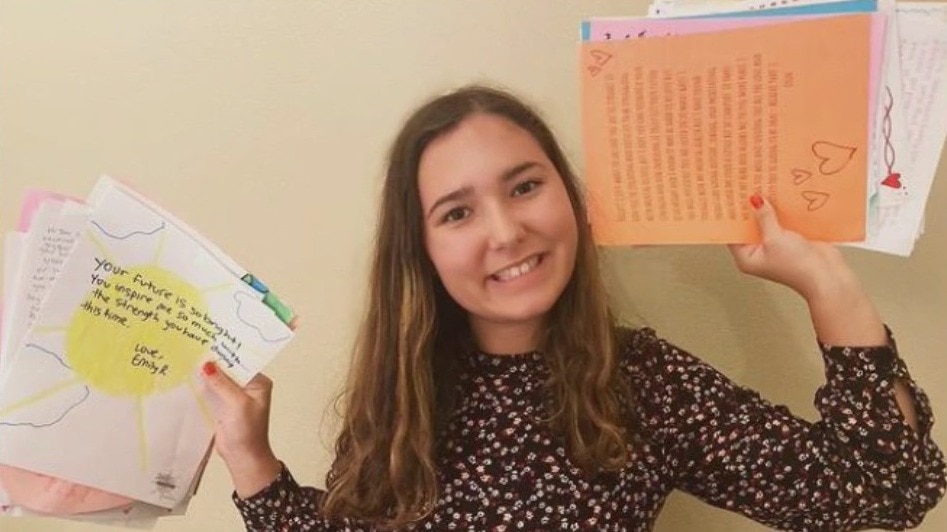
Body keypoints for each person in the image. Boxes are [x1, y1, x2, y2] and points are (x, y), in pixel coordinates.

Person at [201, 85, 946, 531]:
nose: (505, 231)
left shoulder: (641, 383)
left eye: (525, 186)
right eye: (457, 213)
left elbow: (883, 491)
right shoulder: (400, 392)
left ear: (571, 199)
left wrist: (826, 283)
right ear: (420, 250)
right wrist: (250, 457)